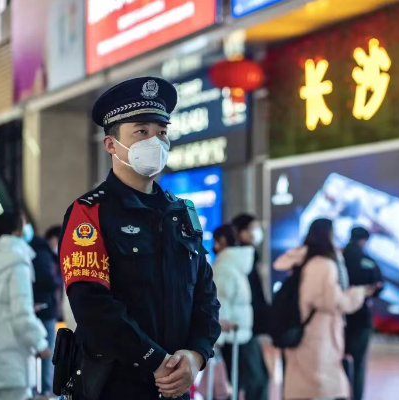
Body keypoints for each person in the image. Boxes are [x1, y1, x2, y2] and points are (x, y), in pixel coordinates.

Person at [58, 77, 221, 400]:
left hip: (175, 385)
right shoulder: (90, 213)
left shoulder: (181, 213)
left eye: (162, 132)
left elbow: (205, 295)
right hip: (116, 385)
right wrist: (155, 360)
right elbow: (92, 307)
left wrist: (196, 355)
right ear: (111, 145)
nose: (155, 142)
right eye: (142, 132)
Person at [274, 218, 372, 400]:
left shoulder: (302, 260)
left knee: (304, 386)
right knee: (322, 387)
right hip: (319, 336)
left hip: (303, 330)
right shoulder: (323, 265)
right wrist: (358, 293)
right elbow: (331, 301)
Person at [0, 211, 51, 400]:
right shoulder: (17, 259)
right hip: (9, 353)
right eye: (25, 223)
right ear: (17, 229)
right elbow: (21, 314)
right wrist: (40, 343)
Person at [212, 224, 269, 400]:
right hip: (241, 334)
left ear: (221, 241)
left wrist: (216, 339)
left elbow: (220, 303)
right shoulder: (238, 265)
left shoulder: (224, 266)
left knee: (237, 388)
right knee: (252, 385)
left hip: (233, 338)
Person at [343, 227, 384, 400]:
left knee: (340, 362)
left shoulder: (339, 259)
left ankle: (341, 394)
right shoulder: (369, 261)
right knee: (359, 365)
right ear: (364, 240)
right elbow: (379, 286)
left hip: (340, 318)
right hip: (361, 319)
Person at [30, 223, 63, 395]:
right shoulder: (44, 255)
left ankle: (42, 389)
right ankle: (45, 389)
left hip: (43, 308)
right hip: (45, 309)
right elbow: (49, 281)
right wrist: (61, 277)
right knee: (47, 350)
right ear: (53, 239)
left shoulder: (42, 253)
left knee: (45, 351)